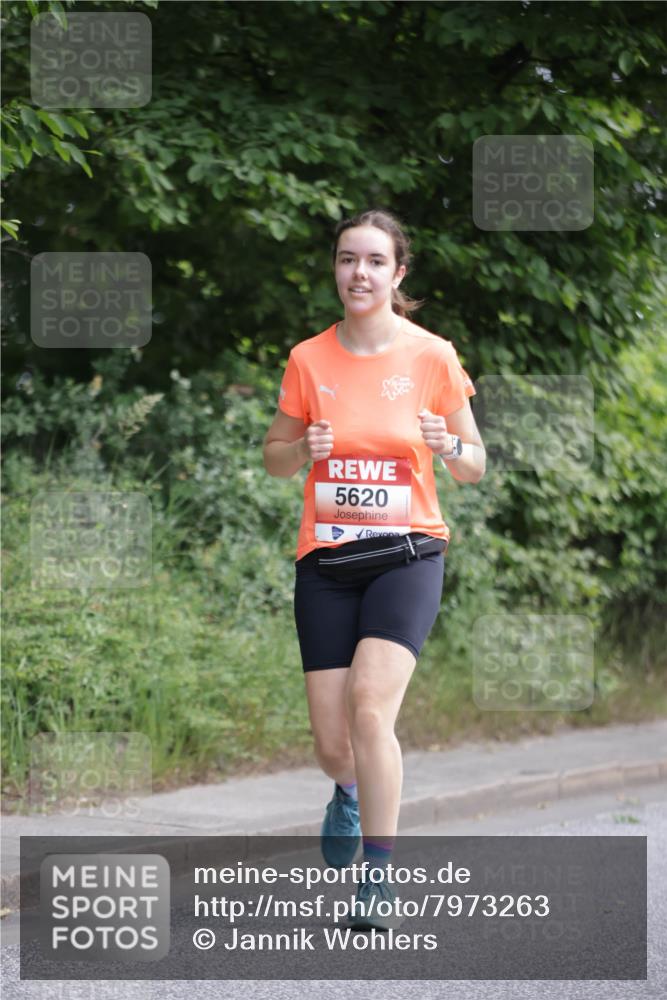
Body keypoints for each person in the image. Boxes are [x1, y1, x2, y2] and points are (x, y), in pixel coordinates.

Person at [263, 209, 486, 930]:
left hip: (407, 554)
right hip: (326, 561)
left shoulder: (431, 356)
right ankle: (348, 791)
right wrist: (306, 450)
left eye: (372, 261)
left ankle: (379, 876)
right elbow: (274, 456)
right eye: (345, 259)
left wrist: (446, 444)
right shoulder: (308, 358)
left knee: (369, 706)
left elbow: (474, 467)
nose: (357, 273)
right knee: (334, 745)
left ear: (398, 274)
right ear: (336, 269)